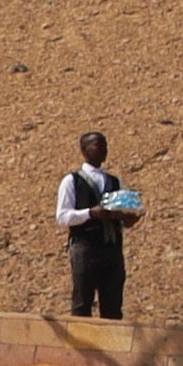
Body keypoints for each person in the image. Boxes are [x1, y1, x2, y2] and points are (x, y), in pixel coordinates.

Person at [55, 135, 136, 321]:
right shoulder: (72, 181)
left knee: (113, 305)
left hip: (112, 248)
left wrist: (127, 219)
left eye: (105, 145)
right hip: (85, 247)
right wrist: (90, 213)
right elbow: (62, 216)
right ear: (84, 149)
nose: (103, 150)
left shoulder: (115, 182)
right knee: (82, 302)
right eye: (97, 145)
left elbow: (123, 215)